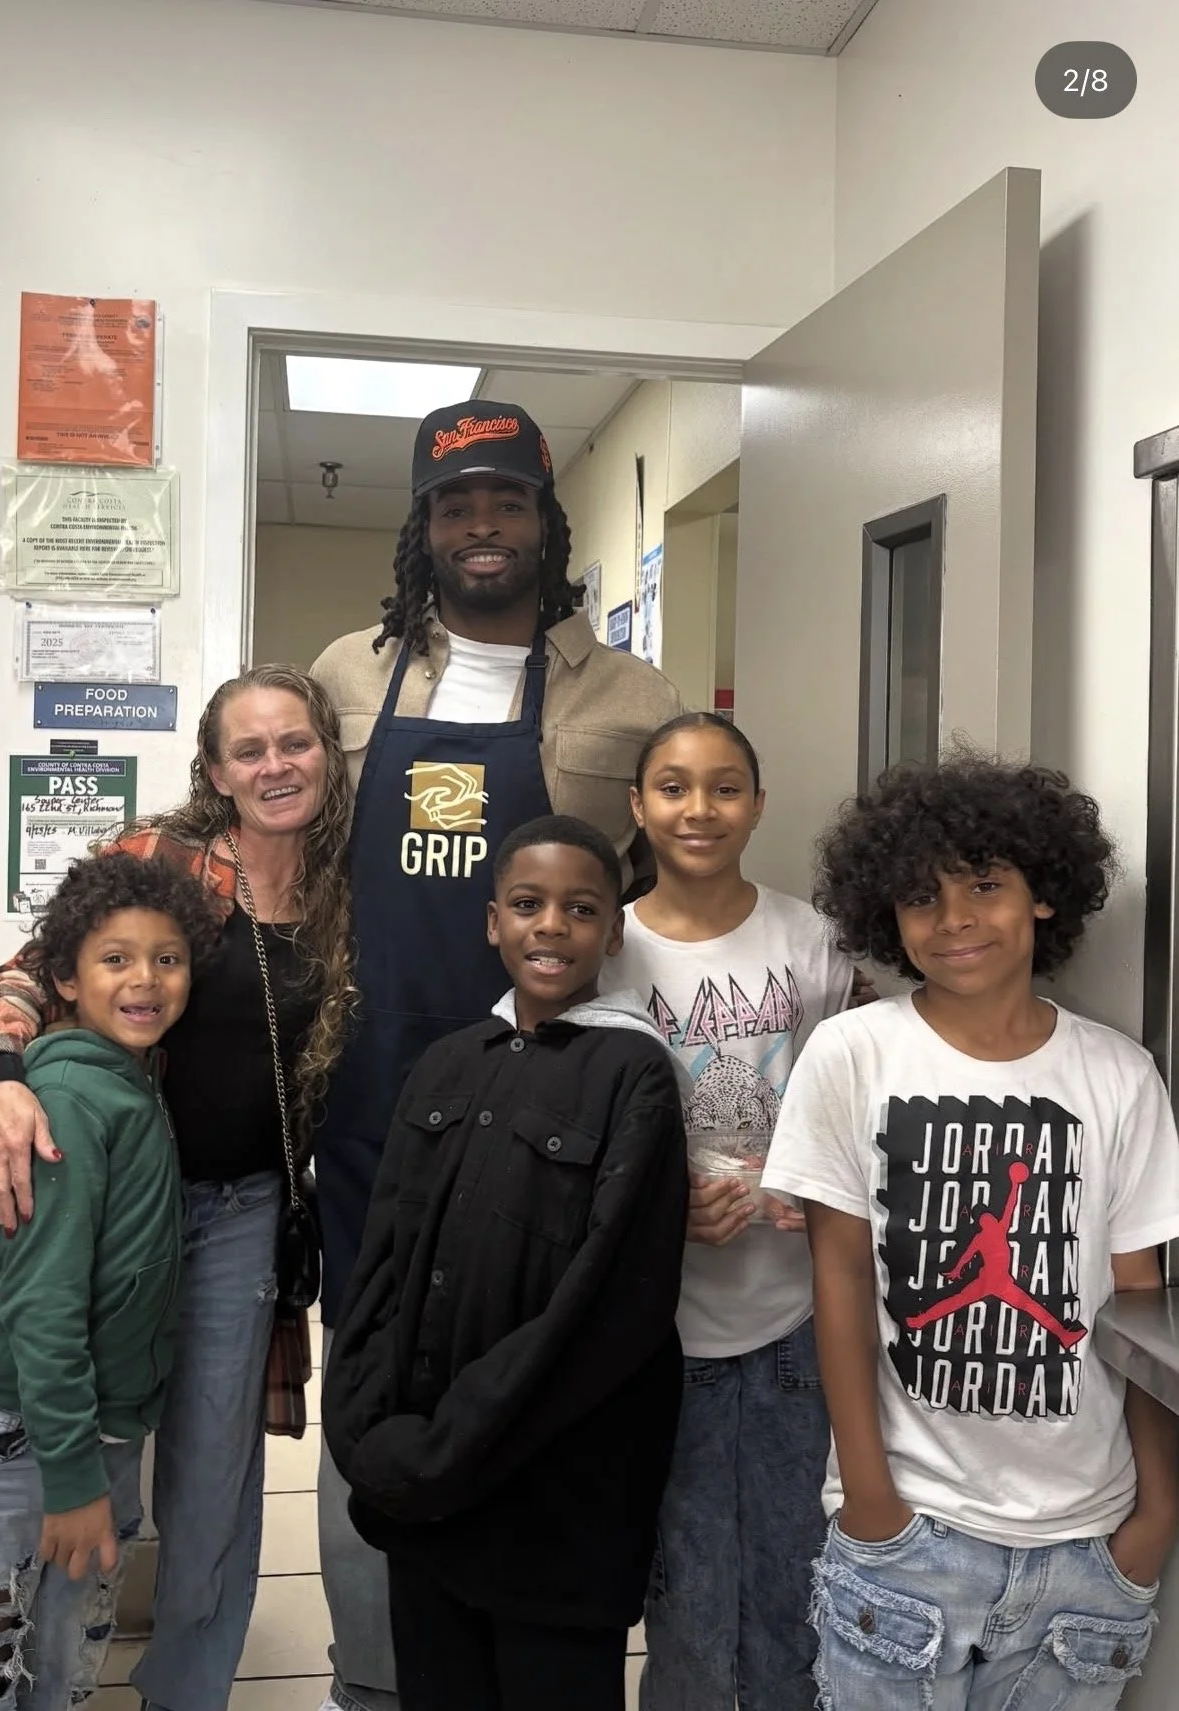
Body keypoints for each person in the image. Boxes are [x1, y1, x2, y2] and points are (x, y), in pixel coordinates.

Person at [309, 399, 681, 1711]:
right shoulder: (345, 675)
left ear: (545, 518)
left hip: (554, 1103)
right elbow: (262, 843)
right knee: (373, 1378)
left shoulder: (632, 701)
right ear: (424, 522)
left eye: (506, 501)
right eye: (457, 503)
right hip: (373, 1102)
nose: (482, 525)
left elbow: (681, 890)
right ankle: (371, 1679)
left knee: (535, 1376)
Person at [0, 665, 357, 1711]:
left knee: (215, 1481)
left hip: (245, 1209)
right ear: (215, 770)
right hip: (124, 1189)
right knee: (96, 1433)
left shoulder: (351, 882)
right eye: (251, 750)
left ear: (327, 750)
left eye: (295, 743)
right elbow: (36, 969)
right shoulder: (157, 856)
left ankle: (186, 1691)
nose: (276, 766)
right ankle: (38, 1669)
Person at [762, 755, 1179, 1710]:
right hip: (912, 1537)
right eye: (922, 895)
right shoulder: (855, 1052)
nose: (953, 917)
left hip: (1088, 1544)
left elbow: (1145, 1305)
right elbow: (839, 1282)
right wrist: (870, 1500)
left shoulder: (1119, 1075)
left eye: (985, 884)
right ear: (888, 916)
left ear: (1043, 894)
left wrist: (1156, 1514)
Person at [323, 814, 690, 1711]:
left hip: (556, 1501)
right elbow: (381, 1263)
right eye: (528, 904)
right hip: (424, 1502)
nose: (550, 926)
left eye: (579, 908)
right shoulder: (447, 1064)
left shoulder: (633, 1072)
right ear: (494, 922)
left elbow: (609, 1303)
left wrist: (452, 1445)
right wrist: (364, 1431)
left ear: (613, 930)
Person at [0, 852, 221, 1711]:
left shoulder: (128, 1082)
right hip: (14, 1432)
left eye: (167, 957)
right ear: (64, 980)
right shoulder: (73, 1094)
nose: (145, 979)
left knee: (57, 1665)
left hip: (85, 1433)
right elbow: (43, 1300)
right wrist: (76, 1477)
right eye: (115, 958)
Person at [597, 712, 855, 1711]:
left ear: (756, 802)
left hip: (795, 1308)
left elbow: (850, 1095)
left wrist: (812, 1179)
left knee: (793, 1556)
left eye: (723, 786)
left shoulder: (810, 938)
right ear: (637, 804)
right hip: (661, 1318)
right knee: (685, 1565)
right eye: (672, 786)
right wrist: (666, 1205)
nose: (698, 808)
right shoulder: (603, 941)